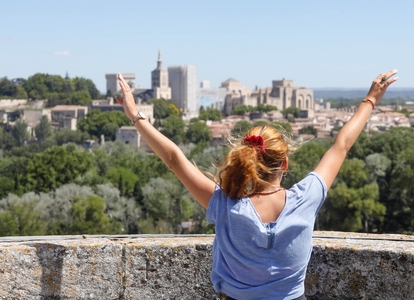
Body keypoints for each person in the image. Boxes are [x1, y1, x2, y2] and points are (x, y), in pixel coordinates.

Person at [115, 69, 398, 300]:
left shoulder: (225, 207)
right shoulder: (306, 199)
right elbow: (342, 145)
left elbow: (175, 159)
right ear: (284, 164)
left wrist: (135, 116)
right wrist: (370, 99)